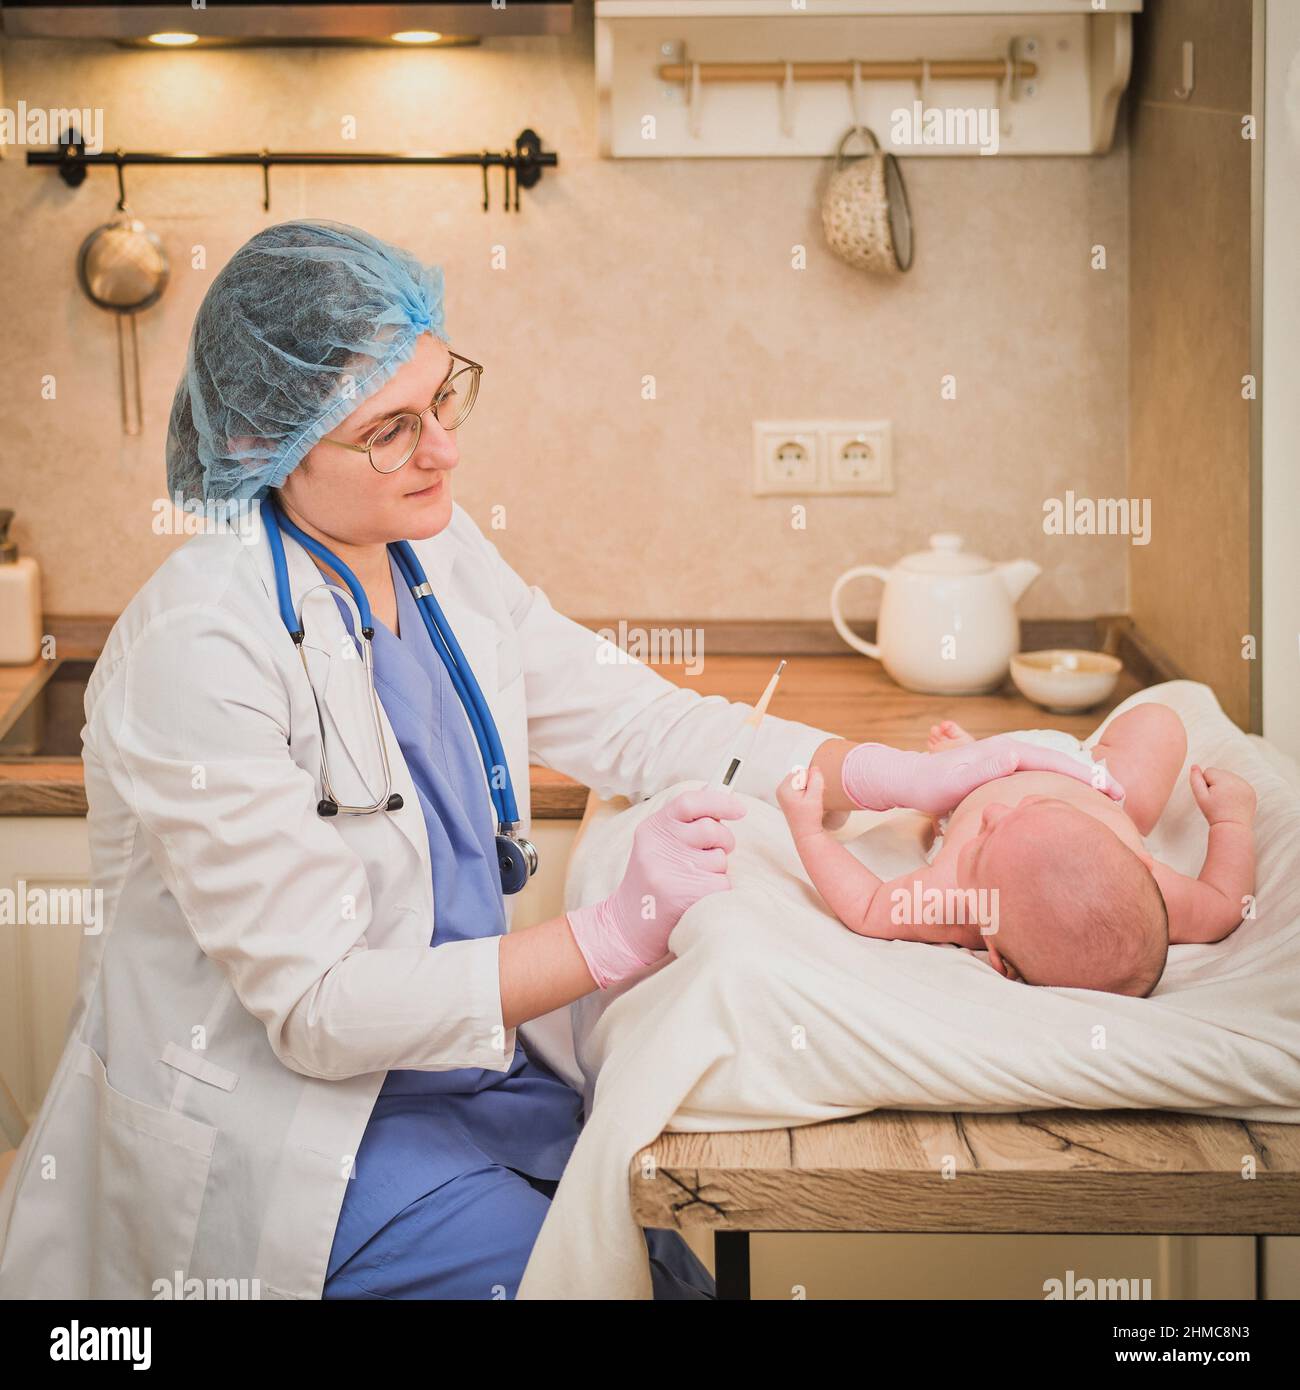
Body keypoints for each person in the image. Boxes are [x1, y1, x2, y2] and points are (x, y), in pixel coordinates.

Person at [0, 221, 1115, 1300]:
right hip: (304, 1146)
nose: (444, 447)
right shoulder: (204, 647)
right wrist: (611, 935)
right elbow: (322, 1008)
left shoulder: (425, 544)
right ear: (269, 443)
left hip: (473, 1080)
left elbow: (640, 722)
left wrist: (890, 775)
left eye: (441, 396)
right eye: (389, 428)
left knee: (666, 1266)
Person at [777, 704, 1257, 995]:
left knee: (953, 790)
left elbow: (866, 906)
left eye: (980, 846)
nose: (995, 815)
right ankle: (974, 757)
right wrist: (1232, 819)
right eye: (1031, 808)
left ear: (996, 955)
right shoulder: (1151, 888)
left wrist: (809, 833)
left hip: (976, 782)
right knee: (1160, 723)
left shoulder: (955, 901)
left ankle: (967, 755)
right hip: (1093, 776)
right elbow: (1223, 903)